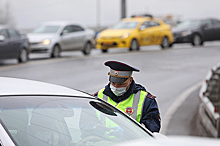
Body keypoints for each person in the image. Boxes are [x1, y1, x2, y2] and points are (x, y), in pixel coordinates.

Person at [93, 60, 161, 133]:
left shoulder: (146, 100)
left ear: (130, 80)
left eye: (121, 84)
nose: (116, 87)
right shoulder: (99, 96)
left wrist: (127, 133)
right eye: (113, 83)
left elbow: (152, 132)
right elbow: (87, 122)